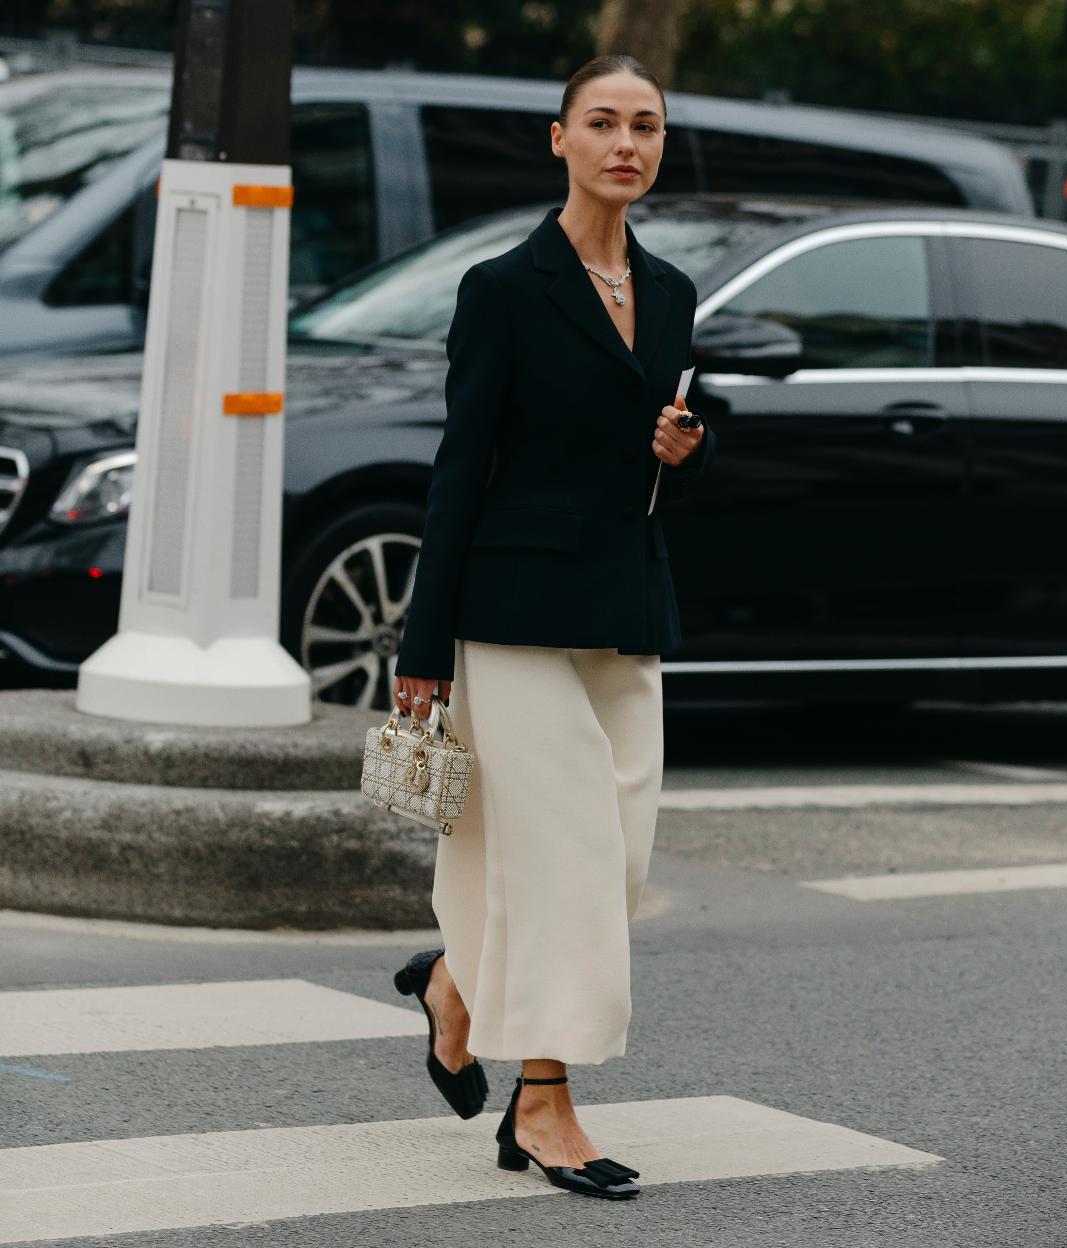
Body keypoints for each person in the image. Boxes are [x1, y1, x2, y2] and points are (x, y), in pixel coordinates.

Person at [389, 52, 717, 1200]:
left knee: (618, 860)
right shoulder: (503, 289)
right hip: (511, 611)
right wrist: (423, 648)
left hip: (624, 601)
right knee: (569, 859)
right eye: (604, 123)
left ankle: (457, 989)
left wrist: (680, 451)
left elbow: (639, 452)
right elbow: (460, 468)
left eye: (648, 127)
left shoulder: (672, 294)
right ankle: (544, 1102)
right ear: (560, 139)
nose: (628, 143)